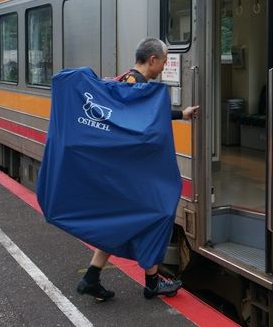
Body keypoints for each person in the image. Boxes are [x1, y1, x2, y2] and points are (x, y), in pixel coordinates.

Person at [76, 37, 198, 301]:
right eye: (164, 62)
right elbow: (135, 127)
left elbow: (144, 117)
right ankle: (151, 283)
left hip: (126, 170)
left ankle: (93, 277)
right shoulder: (135, 85)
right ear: (152, 60)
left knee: (129, 221)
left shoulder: (130, 81)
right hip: (133, 172)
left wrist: (181, 114)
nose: (164, 67)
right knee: (154, 215)